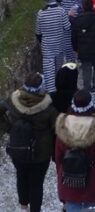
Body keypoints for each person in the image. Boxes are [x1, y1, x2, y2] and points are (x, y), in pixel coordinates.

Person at [0, 73, 59, 212]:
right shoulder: (48, 108)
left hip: (18, 148)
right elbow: (56, 128)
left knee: (21, 176)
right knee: (37, 184)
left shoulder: (12, 101)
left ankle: (23, 205)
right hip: (41, 153)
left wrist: (10, 128)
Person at [54, 89, 95, 210]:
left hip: (69, 181)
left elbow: (58, 158)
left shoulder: (63, 127)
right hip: (92, 181)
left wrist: (60, 177)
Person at [71, 0, 95, 94]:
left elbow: (74, 36)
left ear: (82, 7)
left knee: (86, 69)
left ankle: (87, 89)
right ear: (92, 6)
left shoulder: (77, 20)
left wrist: (75, 48)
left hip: (83, 50)